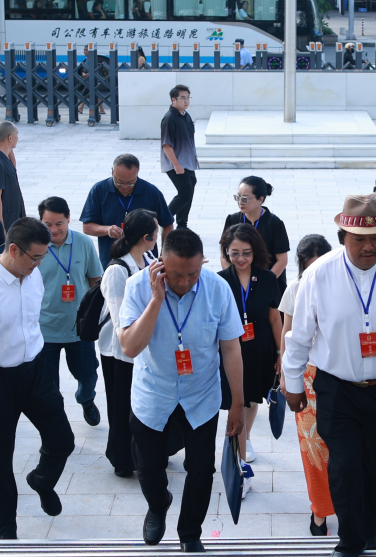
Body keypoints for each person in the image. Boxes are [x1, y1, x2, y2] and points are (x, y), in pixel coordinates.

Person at [283, 194, 376, 557]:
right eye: (360, 240)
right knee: (345, 468)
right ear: (342, 237)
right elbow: (299, 335)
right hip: (337, 390)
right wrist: (291, 383)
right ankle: (351, 542)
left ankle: (367, 526)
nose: (370, 247)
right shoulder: (318, 274)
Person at [118, 229, 245, 553]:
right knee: (148, 467)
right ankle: (158, 505)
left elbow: (230, 349)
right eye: (176, 275)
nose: (185, 282)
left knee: (201, 469)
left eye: (192, 274)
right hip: (153, 392)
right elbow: (130, 347)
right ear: (161, 263)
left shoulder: (217, 289)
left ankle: (190, 533)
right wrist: (157, 299)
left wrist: (237, 404)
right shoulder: (136, 287)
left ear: (202, 262)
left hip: (200, 393)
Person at [0, 217, 77, 540]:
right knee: (0, 461)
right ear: (13, 249)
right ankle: (7, 533)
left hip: (35, 373)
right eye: (35, 257)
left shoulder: (32, 276)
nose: (39, 265)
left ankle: (41, 480)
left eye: (43, 257)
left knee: (63, 440)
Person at [278, 234, 335, 536]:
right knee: (313, 447)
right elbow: (287, 335)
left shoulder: (343, 288)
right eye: (308, 266)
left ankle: (350, 502)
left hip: (341, 375)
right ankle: (320, 511)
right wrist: (287, 377)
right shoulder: (295, 289)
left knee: (345, 445)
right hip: (307, 378)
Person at [98, 209, 159, 478]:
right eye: (156, 233)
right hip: (120, 351)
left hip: (144, 347)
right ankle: (122, 459)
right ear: (147, 237)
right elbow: (120, 315)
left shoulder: (148, 259)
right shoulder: (117, 270)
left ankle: (147, 453)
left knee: (144, 406)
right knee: (122, 407)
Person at [218, 223, 283, 471]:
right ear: (226, 252)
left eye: (246, 252)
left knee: (253, 398)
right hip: (231, 349)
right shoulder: (220, 280)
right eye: (234, 252)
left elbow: (275, 317)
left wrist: (280, 353)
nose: (241, 258)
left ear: (255, 251)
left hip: (261, 348)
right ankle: (238, 454)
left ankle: (244, 438)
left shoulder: (267, 278)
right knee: (237, 398)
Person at [37, 197, 104, 425]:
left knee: (87, 373)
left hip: (80, 327)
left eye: (59, 223)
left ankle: (86, 399)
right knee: (47, 381)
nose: (54, 230)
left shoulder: (84, 243)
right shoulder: (35, 246)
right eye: (47, 224)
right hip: (45, 328)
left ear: (68, 219)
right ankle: (55, 415)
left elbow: (95, 279)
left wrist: (96, 314)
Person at [81, 153, 175, 268]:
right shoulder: (99, 190)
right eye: (119, 181)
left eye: (130, 182)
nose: (124, 186)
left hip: (145, 263)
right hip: (112, 261)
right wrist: (107, 230)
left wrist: (164, 255)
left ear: (137, 173)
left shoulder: (151, 192)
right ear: (112, 172)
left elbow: (167, 224)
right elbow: (87, 226)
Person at [221, 175, 290, 293]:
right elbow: (224, 255)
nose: (240, 202)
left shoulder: (274, 223)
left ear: (260, 200)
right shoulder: (232, 220)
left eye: (245, 198)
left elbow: (282, 260)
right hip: (239, 285)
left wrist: (265, 283)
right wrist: (233, 279)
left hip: (267, 286)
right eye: (238, 197)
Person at [162, 85, 200, 230]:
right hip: (176, 164)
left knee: (189, 190)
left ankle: (182, 225)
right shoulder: (170, 118)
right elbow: (166, 145)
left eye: (188, 97)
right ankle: (162, 218)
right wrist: (176, 164)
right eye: (182, 98)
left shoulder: (185, 115)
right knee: (185, 192)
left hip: (187, 163)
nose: (186, 101)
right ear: (173, 100)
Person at [0, 121, 25, 231]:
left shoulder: (3, 157)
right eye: (17, 134)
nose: (18, 137)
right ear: (10, 138)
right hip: (7, 223)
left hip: (14, 219)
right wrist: (0, 229)